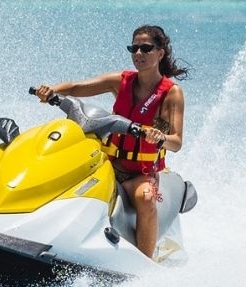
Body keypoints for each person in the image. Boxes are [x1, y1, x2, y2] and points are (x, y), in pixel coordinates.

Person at [32, 25, 188, 259]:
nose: (138, 53)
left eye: (146, 48)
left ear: (160, 53)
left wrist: (160, 137)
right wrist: (51, 91)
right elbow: (76, 88)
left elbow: (176, 142)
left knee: (145, 199)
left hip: (139, 174)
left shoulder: (171, 93)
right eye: (133, 48)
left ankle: (143, 266)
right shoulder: (121, 81)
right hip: (107, 163)